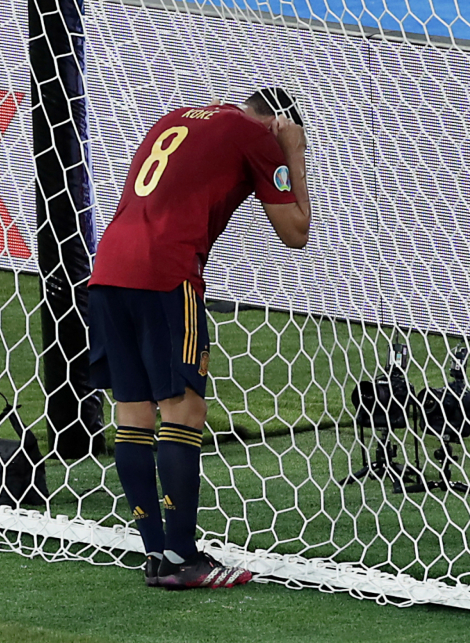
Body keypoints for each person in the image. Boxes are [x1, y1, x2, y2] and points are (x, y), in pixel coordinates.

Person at [87, 88, 311, 589]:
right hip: (165, 272)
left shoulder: (178, 117)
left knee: (133, 413)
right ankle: (184, 557)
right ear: (277, 121)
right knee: (184, 410)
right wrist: (293, 153)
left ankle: (158, 556)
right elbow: (296, 232)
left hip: (109, 268)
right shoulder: (260, 136)